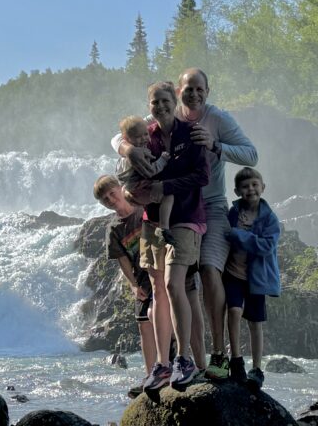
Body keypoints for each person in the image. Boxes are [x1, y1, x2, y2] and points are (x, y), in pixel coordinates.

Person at [114, 68, 258, 380]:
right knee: (177, 287)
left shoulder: (212, 122)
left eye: (199, 88)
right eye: (187, 89)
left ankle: (217, 355)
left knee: (205, 272)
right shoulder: (160, 121)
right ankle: (182, 363)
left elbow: (251, 154)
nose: (193, 94)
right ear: (179, 92)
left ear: (208, 90)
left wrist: (217, 146)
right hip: (170, 212)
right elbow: (122, 133)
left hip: (208, 206)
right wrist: (128, 149)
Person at [92, 174, 204, 396]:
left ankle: (179, 363)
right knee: (144, 324)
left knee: (166, 314)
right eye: (105, 199)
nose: (111, 200)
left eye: (112, 194)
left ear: (120, 188)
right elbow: (122, 260)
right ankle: (150, 372)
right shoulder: (113, 228)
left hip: (161, 268)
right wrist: (133, 285)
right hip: (141, 279)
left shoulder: (141, 209)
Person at [136, 81, 210, 391]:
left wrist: (166, 187)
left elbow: (202, 176)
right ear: (149, 105)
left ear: (174, 100)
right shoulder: (145, 138)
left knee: (173, 283)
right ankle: (162, 365)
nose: (161, 106)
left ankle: (184, 359)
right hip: (151, 222)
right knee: (157, 289)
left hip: (185, 219)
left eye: (165, 100)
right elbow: (128, 167)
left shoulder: (190, 133)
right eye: (155, 102)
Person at [224, 166, 280, 389]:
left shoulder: (270, 219)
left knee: (256, 323)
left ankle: (257, 369)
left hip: (257, 278)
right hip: (233, 273)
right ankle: (236, 360)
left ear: (263, 187)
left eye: (255, 185)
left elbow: (267, 246)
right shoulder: (234, 212)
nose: (251, 189)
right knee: (234, 311)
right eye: (245, 186)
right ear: (237, 191)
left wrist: (240, 235)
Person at [115, 115, 175, 244]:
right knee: (168, 195)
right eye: (138, 137)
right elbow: (151, 171)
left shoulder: (123, 157)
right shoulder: (138, 155)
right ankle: (164, 227)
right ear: (126, 139)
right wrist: (163, 159)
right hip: (138, 189)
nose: (144, 139)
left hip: (132, 189)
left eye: (145, 134)